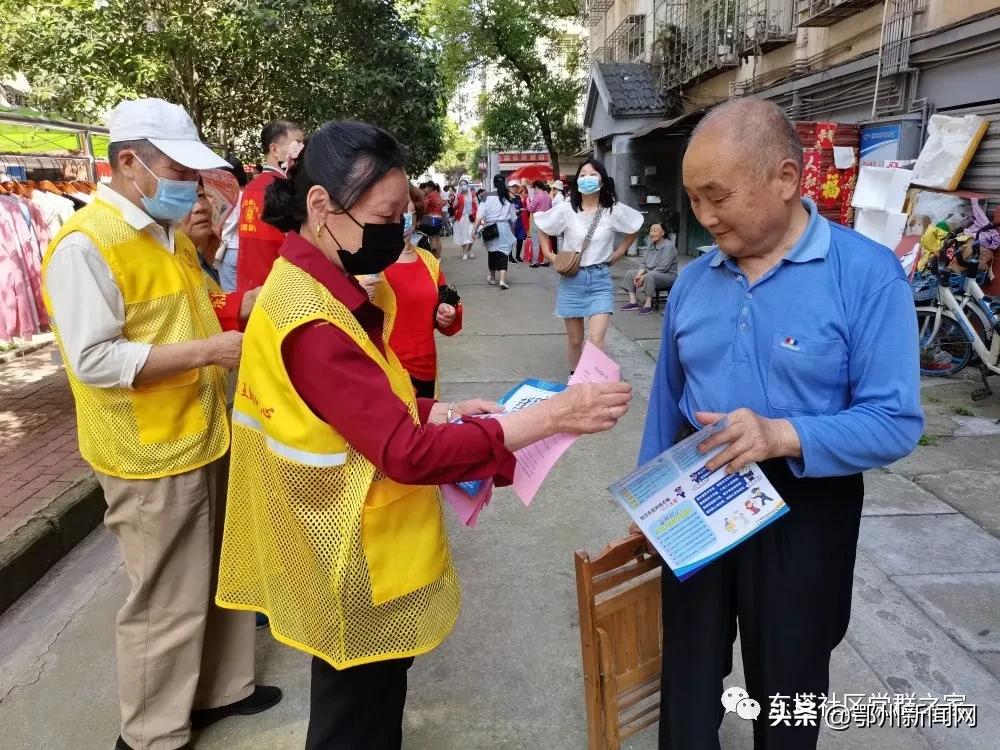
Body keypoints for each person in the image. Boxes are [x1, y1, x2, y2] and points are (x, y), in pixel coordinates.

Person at [213, 120, 632, 750]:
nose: (397, 233)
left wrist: (438, 410)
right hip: (345, 554)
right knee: (355, 723)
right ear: (321, 206)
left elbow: (364, 409)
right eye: (384, 216)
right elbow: (402, 454)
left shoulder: (318, 287)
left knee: (370, 706)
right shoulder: (311, 319)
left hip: (344, 540)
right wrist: (550, 417)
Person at [636, 98, 922, 750]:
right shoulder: (692, 281)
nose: (703, 216)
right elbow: (667, 397)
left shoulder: (867, 278)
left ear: (787, 180)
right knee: (687, 670)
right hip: (698, 487)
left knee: (788, 681)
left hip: (804, 502)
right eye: (693, 198)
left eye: (718, 196)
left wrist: (781, 434)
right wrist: (648, 498)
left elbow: (895, 422)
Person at [40, 98, 281, 750]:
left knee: (217, 578)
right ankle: (150, 732)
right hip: (146, 451)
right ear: (128, 163)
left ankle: (220, 690)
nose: (192, 189)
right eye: (179, 172)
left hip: (202, 431)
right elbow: (94, 360)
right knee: (166, 600)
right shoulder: (85, 246)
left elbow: (194, 314)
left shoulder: (162, 234)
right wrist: (210, 352)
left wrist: (242, 306)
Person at [536, 159, 642, 371]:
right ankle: (575, 379)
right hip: (572, 280)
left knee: (596, 340)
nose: (587, 178)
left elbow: (635, 223)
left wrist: (619, 252)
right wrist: (550, 254)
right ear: (577, 181)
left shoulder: (612, 210)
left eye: (593, 174)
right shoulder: (566, 209)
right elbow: (542, 224)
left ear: (602, 180)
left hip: (600, 280)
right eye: (583, 174)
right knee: (575, 340)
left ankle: (591, 383)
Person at [374, 183, 462, 398]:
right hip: (386, 370)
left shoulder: (429, 260)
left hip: (426, 370)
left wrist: (448, 313)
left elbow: (446, 303)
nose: (404, 219)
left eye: (410, 214)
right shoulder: (369, 262)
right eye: (397, 213)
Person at [236, 119, 304, 290]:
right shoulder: (284, 188)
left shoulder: (252, 187)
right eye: (297, 144)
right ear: (275, 149)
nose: (302, 150)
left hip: (251, 282)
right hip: (281, 285)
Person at [472, 174, 519, 290]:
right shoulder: (509, 197)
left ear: (493, 184)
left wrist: (474, 230)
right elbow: (513, 218)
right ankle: (502, 280)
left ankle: (493, 279)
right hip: (504, 228)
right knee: (503, 253)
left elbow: (479, 215)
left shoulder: (486, 196)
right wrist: (512, 230)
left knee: (492, 253)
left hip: (490, 228)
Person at [621, 222, 678, 314]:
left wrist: (644, 276)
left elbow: (663, 267)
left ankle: (648, 305)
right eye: (651, 230)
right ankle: (633, 302)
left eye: (655, 231)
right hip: (650, 272)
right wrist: (639, 275)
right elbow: (643, 262)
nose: (652, 233)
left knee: (649, 276)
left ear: (663, 233)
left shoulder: (668, 246)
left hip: (667, 275)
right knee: (630, 273)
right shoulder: (651, 244)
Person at [218, 155, 248, 292]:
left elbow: (225, 225)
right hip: (246, 249)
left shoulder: (229, 196)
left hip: (230, 248)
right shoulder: (249, 194)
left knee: (230, 292)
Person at [526, 179, 552, 269]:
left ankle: (535, 261)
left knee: (535, 242)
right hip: (546, 222)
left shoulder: (537, 197)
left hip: (537, 221)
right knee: (545, 241)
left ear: (537, 187)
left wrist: (529, 201)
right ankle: (546, 260)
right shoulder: (548, 196)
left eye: (534, 189)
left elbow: (530, 208)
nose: (534, 191)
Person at [453, 178, 478, 261]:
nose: (463, 186)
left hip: (471, 217)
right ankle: (464, 252)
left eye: (464, 184)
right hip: (462, 218)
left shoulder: (472, 194)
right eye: (461, 185)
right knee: (463, 236)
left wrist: (479, 216)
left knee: (472, 235)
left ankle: (469, 249)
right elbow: (454, 206)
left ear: (467, 185)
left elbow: (477, 205)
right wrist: (455, 202)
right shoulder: (458, 195)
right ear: (459, 187)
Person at [421, 182, 445, 257]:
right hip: (439, 218)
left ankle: (434, 257)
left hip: (431, 219)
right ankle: (439, 256)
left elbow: (424, 208)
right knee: (437, 238)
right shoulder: (438, 195)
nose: (426, 190)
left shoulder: (429, 196)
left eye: (427, 188)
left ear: (430, 187)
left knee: (432, 238)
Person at [508, 180, 527, 263]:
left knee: (520, 238)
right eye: (512, 187)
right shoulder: (507, 198)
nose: (514, 188)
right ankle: (510, 256)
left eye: (515, 187)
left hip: (519, 220)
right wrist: (516, 210)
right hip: (510, 221)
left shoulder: (518, 197)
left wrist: (521, 210)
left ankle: (518, 255)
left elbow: (521, 207)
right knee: (511, 239)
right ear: (509, 188)